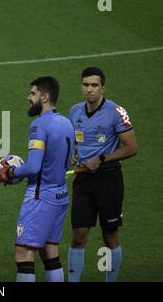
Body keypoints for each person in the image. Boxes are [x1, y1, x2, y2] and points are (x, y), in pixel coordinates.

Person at [0, 76, 74, 282]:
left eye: (32, 93)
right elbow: (70, 159)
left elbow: (33, 166)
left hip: (40, 197)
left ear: (44, 96)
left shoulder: (39, 125)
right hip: (61, 195)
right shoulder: (67, 123)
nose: (28, 97)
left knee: (23, 253)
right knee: (50, 252)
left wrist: (10, 172)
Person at [67, 67, 138, 282]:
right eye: (86, 85)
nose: (90, 90)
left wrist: (102, 159)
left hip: (109, 180)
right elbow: (76, 143)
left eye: (94, 85)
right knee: (79, 235)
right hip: (83, 179)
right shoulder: (74, 111)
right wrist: (74, 154)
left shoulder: (116, 112)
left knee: (110, 235)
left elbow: (131, 147)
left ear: (103, 88)